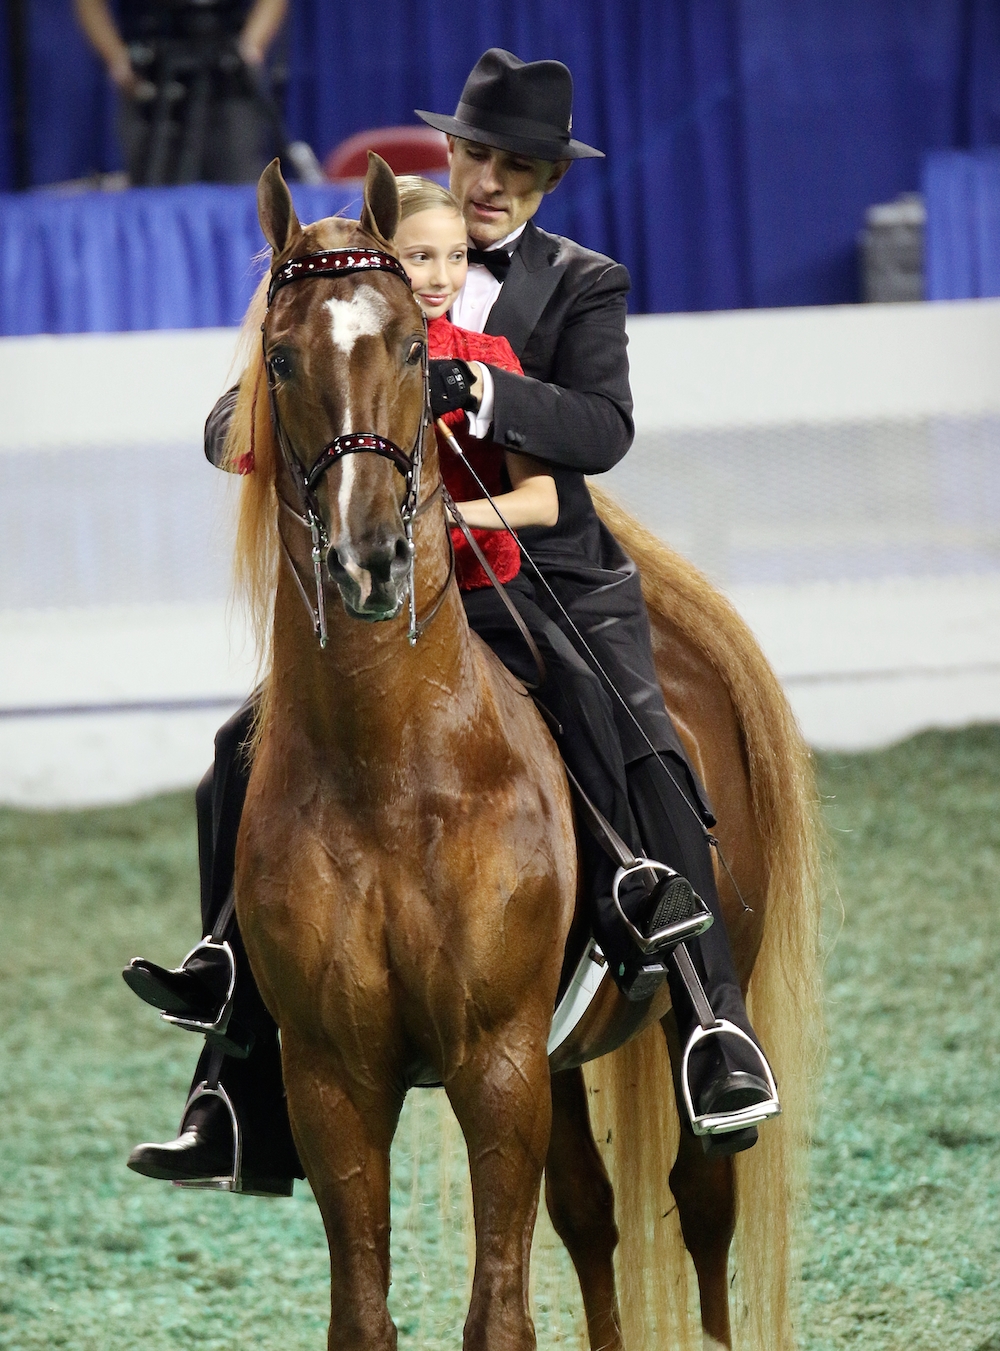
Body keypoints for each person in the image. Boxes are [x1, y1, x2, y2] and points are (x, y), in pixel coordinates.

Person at [124, 50, 777, 1194]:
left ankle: (711, 1022)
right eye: (479, 157)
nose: (492, 184)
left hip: (542, 570)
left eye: (519, 172)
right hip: (392, 594)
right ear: (453, 155)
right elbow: (289, 374)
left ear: (544, 186)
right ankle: (230, 1039)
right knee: (239, 752)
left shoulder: (580, 285)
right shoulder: (384, 266)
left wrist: (484, 394)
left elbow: (601, 430)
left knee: (633, 729)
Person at [73, 0, 287, 185]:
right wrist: (116, 57)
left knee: (240, 187)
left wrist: (252, 45)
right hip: (150, 83)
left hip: (228, 81)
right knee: (152, 197)